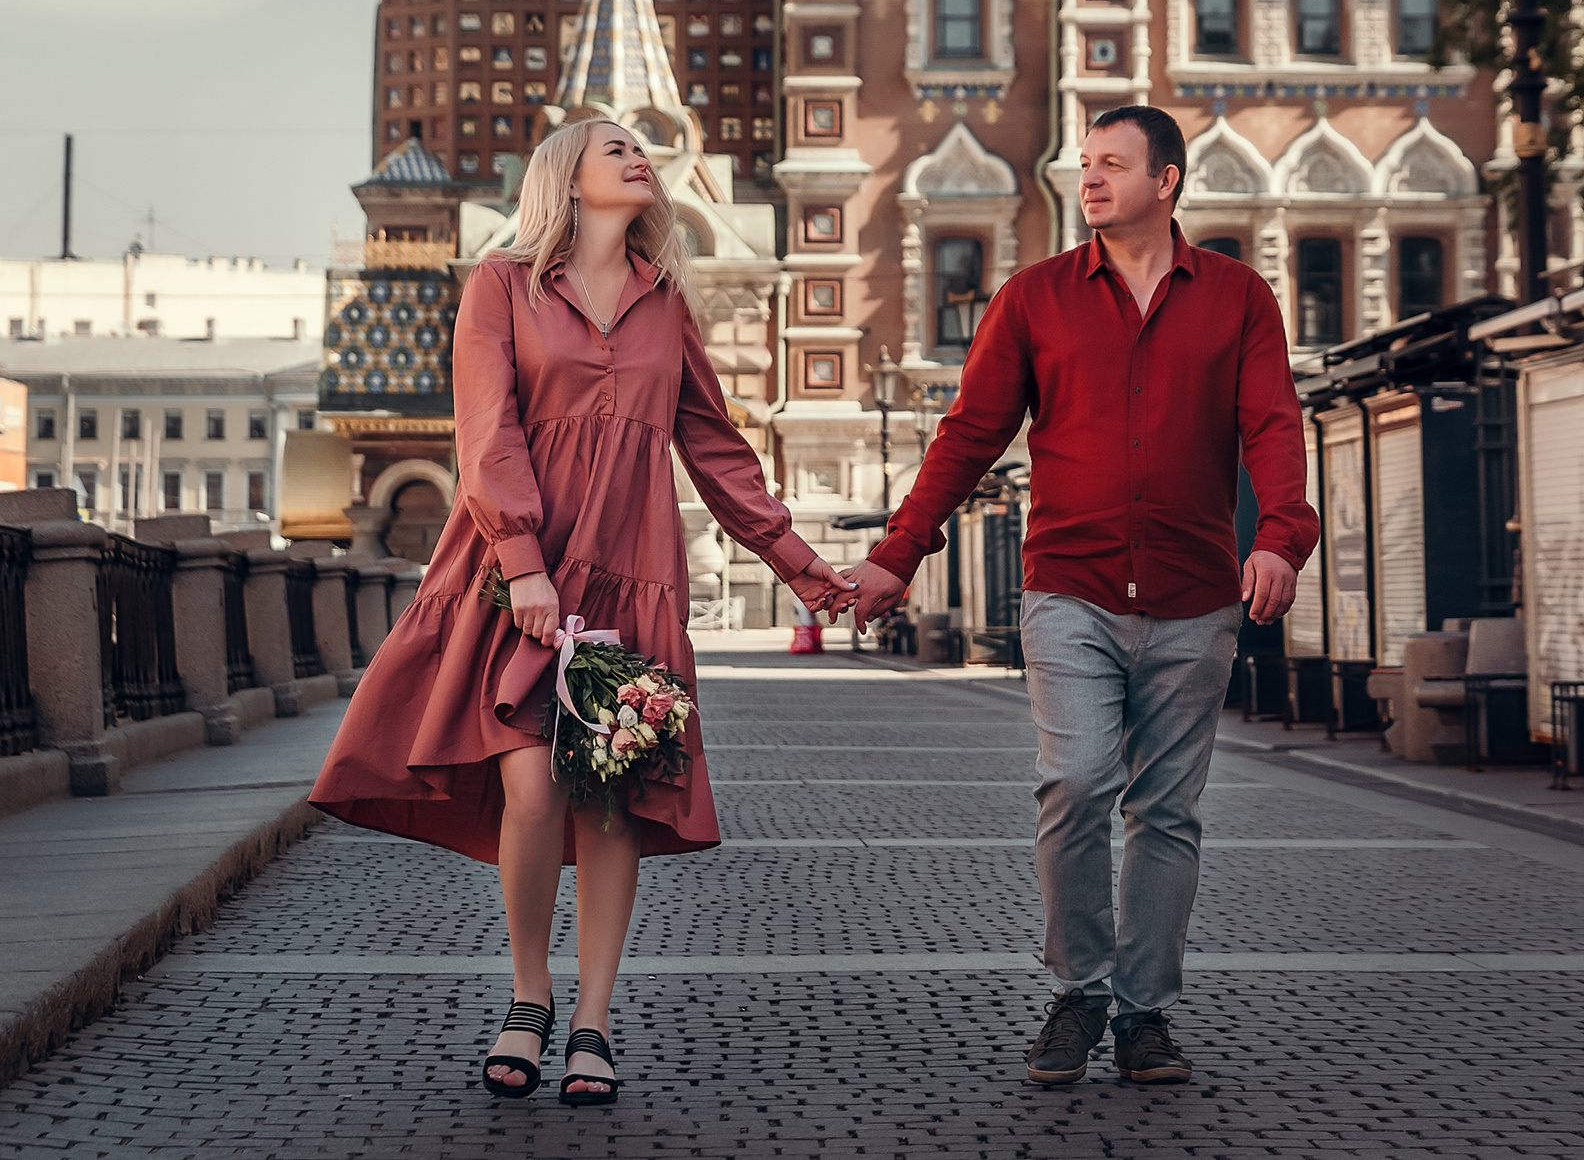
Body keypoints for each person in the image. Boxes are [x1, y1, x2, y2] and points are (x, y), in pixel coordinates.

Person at [310, 118, 848, 1106]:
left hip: (633, 572)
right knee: (531, 789)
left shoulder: (665, 301)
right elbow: (487, 433)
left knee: (608, 799)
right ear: (566, 175)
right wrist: (523, 563)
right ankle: (529, 993)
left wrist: (805, 567)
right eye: (614, 147)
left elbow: (717, 452)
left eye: (643, 147)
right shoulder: (502, 285)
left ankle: (594, 1017)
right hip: (523, 575)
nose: (637, 155)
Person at [839, 105, 1317, 1086]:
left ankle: (1144, 1012)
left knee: (1168, 810)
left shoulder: (1237, 298)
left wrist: (1280, 535)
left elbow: (1270, 423)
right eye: (1085, 162)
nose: (1088, 178)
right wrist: (900, 550)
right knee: (1078, 779)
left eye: (1111, 163)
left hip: (1195, 594)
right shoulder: (1034, 299)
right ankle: (1079, 989)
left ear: (1167, 179)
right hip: (1070, 590)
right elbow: (969, 435)